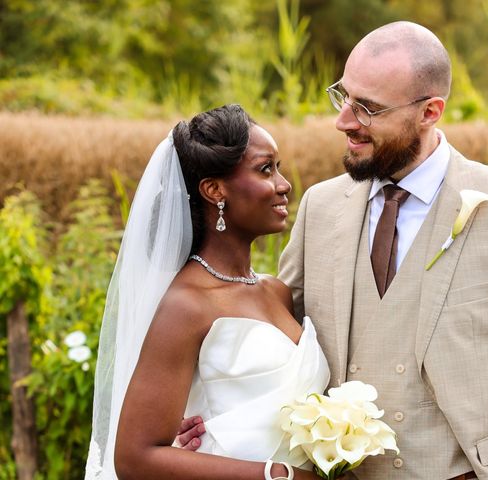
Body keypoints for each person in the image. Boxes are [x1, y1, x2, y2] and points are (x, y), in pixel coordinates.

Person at [276, 22, 488, 479]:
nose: (344, 120)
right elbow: (280, 347)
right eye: (343, 96)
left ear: (430, 112)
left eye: (368, 108)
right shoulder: (320, 207)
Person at [85, 105, 329, 479]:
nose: (284, 184)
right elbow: (135, 457)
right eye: (266, 169)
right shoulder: (186, 305)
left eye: (279, 167)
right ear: (214, 190)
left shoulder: (277, 292)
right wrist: (279, 475)